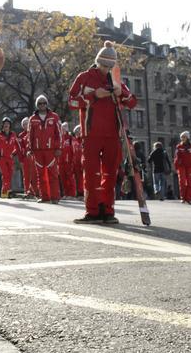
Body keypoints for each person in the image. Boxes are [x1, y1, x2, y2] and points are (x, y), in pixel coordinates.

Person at [68, 43, 137, 224]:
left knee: (110, 174)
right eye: (104, 65)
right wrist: (94, 96)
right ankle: (92, 211)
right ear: (97, 61)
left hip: (113, 134)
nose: (106, 69)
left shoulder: (115, 79)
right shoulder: (84, 77)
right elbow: (71, 101)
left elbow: (132, 103)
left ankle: (108, 210)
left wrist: (122, 93)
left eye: (110, 66)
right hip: (90, 134)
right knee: (91, 174)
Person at [27, 95, 62, 203]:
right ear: (37, 105)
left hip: (51, 150)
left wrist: (58, 147)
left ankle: (55, 197)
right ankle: (45, 197)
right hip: (37, 151)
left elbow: (59, 134)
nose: (42, 105)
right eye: (40, 103)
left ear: (47, 104)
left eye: (44, 103)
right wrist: (30, 149)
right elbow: (30, 135)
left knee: (53, 174)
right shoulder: (32, 119)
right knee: (40, 175)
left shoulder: (54, 117)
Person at [173, 131, 191, 204]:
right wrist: (176, 166)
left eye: (183, 137)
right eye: (181, 137)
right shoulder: (179, 146)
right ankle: (183, 198)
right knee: (182, 182)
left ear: (187, 138)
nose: (182, 138)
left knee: (190, 183)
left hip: (190, 166)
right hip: (181, 166)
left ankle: (189, 199)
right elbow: (176, 157)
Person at [0, 117, 19, 198]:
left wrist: (14, 153)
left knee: (10, 174)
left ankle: (6, 191)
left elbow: (17, 146)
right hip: (1, 158)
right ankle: (5, 192)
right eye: (5, 124)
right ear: (2, 125)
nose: (6, 125)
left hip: (10, 158)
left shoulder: (13, 135)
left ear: (10, 125)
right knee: (5, 174)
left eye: (8, 124)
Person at [19, 117, 38, 198]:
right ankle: (27, 191)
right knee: (26, 175)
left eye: (27, 123)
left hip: (34, 156)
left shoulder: (34, 132)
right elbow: (19, 148)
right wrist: (21, 158)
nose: (26, 125)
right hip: (25, 157)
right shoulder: (21, 135)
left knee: (35, 175)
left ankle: (36, 191)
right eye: (24, 124)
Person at [59, 122, 78, 198]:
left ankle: (72, 194)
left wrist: (73, 159)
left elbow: (73, 149)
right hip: (61, 161)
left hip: (69, 161)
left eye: (65, 127)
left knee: (70, 177)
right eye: (62, 128)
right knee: (63, 178)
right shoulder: (59, 138)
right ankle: (66, 193)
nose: (63, 129)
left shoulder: (70, 138)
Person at [71, 125, 85, 196]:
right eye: (76, 132)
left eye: (78, 131)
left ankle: (83, 192)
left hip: (82, 161)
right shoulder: (73, 140)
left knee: (83, 178)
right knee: (77, 178)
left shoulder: (83, 140)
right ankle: (79, 192)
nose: (77, 133)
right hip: (76, 162)